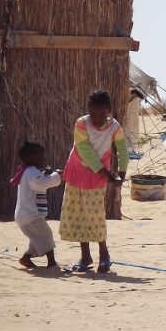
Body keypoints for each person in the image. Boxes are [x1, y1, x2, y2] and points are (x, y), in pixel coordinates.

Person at [59, 90, 129, 273]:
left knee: (95, 214)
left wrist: (121, 172)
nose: (97, 118)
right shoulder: (81, 124)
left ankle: (104, 255)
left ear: (109, 111)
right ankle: (85, 255)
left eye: (102, 113)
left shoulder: (114, 127)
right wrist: (107, 174)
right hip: (78, 171)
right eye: (94, 113)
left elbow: (122, 148)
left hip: (97, 176)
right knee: (79, 213)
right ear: (88, 110)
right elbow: (84, 150)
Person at [11, 141, 62, 268]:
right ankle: (52, 262)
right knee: (46, 234)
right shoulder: (31, 172)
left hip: (22, 216)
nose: (43, 158)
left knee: (37, 237)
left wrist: (46, 174)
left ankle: (26, 258)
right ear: (30, 158)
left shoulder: (26, 172)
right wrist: (56, 176)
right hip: (31, 215)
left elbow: (37, 182)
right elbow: (41, 184)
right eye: (40, 155)